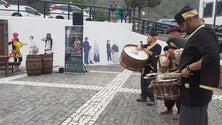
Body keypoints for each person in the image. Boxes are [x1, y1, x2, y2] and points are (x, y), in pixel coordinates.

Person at [174, 6, 220, 125]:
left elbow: (213, 55)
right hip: (197, 90)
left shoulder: (202, 33)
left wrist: (189, 68)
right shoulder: (203, 31)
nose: (183, 29)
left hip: (193, 91)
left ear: (190, 20)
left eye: (183, 26)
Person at [160, 27, 186, 120]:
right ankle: (169, 108)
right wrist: (165, 60)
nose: (172, 35)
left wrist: (173, 55)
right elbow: (163, 57)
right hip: (170, 71)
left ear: (179, 33)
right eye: (171, 33)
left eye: (174, 32)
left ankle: (180, 112)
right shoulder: (167, 46)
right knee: (168, 91)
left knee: (180, 93)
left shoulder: (184, 43)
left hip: (181, 72)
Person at [136, 31, 162, 106]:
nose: (147, 38)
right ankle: (144, 97)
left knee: (150, 84)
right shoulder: (146, 45)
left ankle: (152, 99)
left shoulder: (158, 46)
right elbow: (139, 46)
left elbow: (155, 55)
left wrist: (144, 49)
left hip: (151, 67)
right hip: (144, 67)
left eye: (149, 37)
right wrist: (139, 46)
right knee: (143, 82)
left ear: (154, 38)